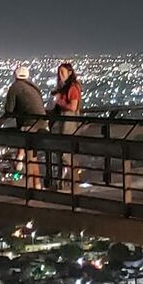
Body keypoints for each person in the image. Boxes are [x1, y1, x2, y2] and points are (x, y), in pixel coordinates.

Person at [3, 66, 46, 184]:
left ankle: (20, 163)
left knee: (30, 156)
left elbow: (9, 109)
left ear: (15, 76)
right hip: (43, 123)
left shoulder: (15, 87)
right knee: (33, 156)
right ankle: (35, 183)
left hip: (29, 124)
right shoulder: (34, 87)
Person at [48, 62, 82, 190]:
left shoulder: (72, 88)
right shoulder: (66, 87)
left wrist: (59, 101)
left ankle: (66, 183)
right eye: (59, 72)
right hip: (64, 124)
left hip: (69, 124)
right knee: (64, 154)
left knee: (66, 155)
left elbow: (73, 107)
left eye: (62, 72)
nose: (60, 75)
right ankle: (66, 183)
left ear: (70, 73)